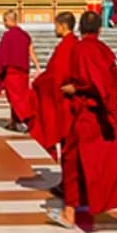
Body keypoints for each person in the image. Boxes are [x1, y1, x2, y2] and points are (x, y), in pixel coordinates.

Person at [52, 12, 117, 233]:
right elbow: (111, 84)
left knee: (72, 159)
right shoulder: (105, 50)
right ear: (99, 30)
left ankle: (69, 213)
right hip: (107, 116)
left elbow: (90, 83)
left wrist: (74, 88)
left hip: (88, 115)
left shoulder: (80, 49)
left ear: (79, 28)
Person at [30, 12, 79, 158]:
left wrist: (38, 83)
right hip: (69, 96)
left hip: (65, 99)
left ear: (63, 26)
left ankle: (70, 180)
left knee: (68, 141)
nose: (54, 29)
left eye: (56, 26)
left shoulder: (66, 47)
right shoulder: (73, 43)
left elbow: (57, 74)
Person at [0, 10, 37, 132]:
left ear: (10, 20)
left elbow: (0, 56)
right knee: (19, 96)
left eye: (5, 20)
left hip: (12, 73)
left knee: (16, 98)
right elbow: (31, 51)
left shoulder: (8, 35)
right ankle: (14, 122)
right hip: (24, 72)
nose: (4, 23)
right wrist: (37, 66)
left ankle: (27, 120)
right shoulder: (25, 35)